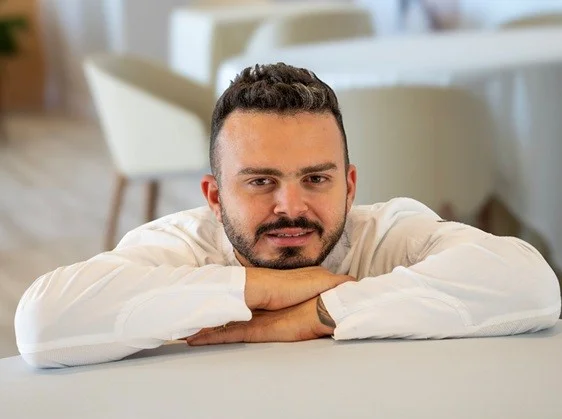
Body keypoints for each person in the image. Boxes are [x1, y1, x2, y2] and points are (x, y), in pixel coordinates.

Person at [15, 63, 561, 368]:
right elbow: (41, 324)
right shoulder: (182, 244)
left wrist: (321, 312)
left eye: (317, 179)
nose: (292, 208)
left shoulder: (386, 233)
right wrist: (262, 289)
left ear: (349, 186)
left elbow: (533, 285)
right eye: (261, 182)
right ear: (213, 197)